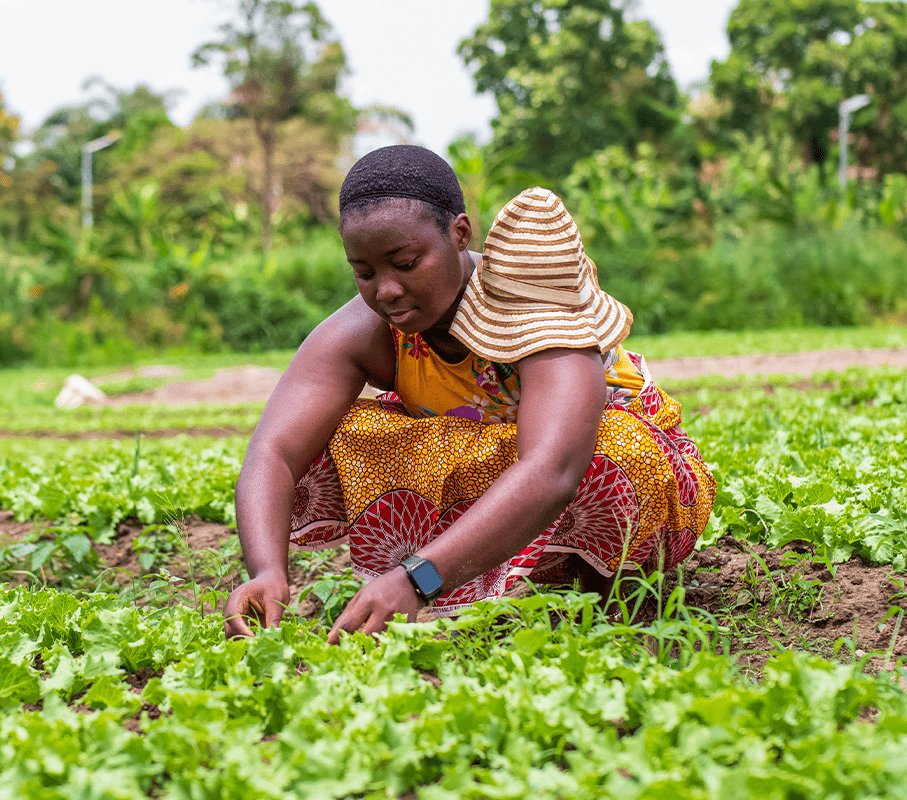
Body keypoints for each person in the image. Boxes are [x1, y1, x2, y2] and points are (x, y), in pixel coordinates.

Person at [223, 145, 715, 643]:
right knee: (347, 435)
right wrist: (266, 571)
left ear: (459, 234)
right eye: (365, 272)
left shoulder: (534, 304)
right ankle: (467, 580)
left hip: (616, 490)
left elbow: (553, 470)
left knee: (615, 455)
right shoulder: (368, 329)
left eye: (406, 263)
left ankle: (605, 597)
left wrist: (419, 581)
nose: (386, 290)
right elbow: (274, 451)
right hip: (501, 490)